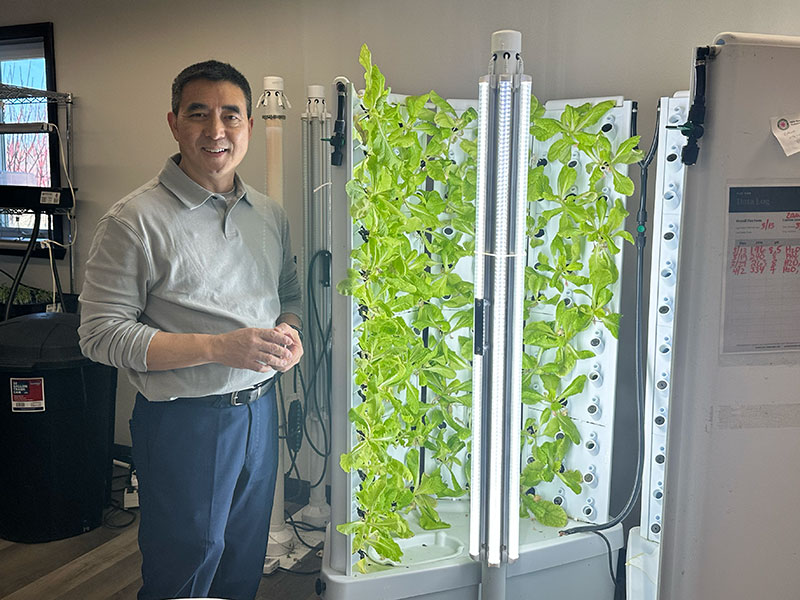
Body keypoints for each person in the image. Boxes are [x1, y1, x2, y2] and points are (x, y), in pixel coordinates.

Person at [78, 60, 303, 600]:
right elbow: (100, 335)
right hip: (184, 423)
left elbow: (289, 293)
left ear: (249, 125)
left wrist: (289, 332)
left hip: (259, 411)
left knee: (242, 561)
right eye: (199, 114)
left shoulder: (267, 215)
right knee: (186, 566)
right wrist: (219, 348)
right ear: (174, 123)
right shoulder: (134, 220)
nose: (217, 131)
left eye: (232, 116)